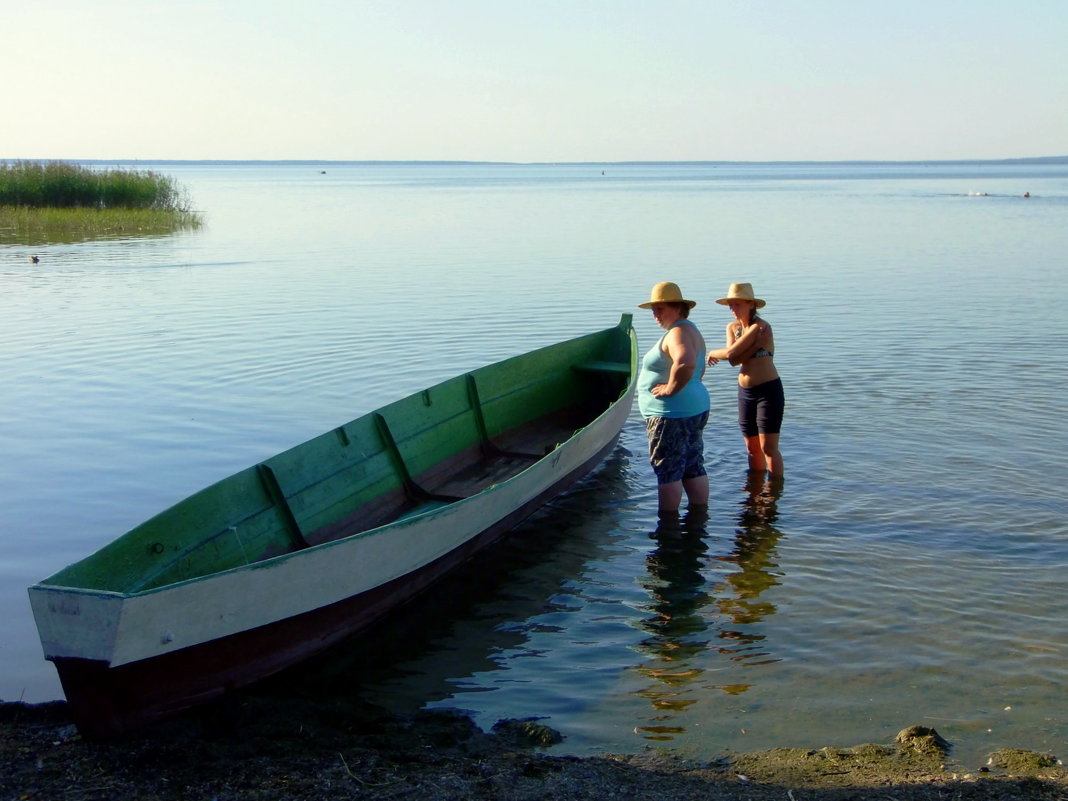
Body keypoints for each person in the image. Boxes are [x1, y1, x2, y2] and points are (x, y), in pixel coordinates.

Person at [637, 281, 710, 513]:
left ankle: (667, 529)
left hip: (671, 415)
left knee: (668, 470)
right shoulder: (691, 329)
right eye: (653, 310)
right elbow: (698, 368)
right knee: (692, 466)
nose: (656, 315)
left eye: (661, 308)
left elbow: (686, 362)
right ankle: (699, 518)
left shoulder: (677, 333)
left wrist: (669, 389)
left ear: (678, 308)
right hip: (693, 408)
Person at [706, 282, 784, 476]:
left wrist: (713, 352)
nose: (732, 309)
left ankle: (773, 494)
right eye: (730, 305)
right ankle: (755, 490)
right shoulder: (732, 327)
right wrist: (755, 346)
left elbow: (730, 352)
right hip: (745, 393)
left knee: (769, 448)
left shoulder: (761, 326)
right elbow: (734, 360)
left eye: (737, 304)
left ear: (751, 304)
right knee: (751, 447)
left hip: (768, 391)